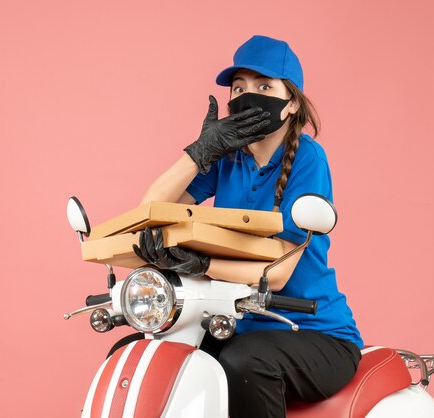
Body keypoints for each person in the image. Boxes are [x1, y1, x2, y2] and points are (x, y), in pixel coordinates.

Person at [114, 35, 363, 418]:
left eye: (265, 86)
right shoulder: (228, 158)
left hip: (312, 331)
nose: (250, 95)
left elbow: (277, 275)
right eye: (240, 88)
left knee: (246, 362)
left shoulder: (308, 157)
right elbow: (150, 211)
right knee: (142, 352)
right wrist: (201, 152)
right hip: (237, 326)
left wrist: (200, 265)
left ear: (291, 101)